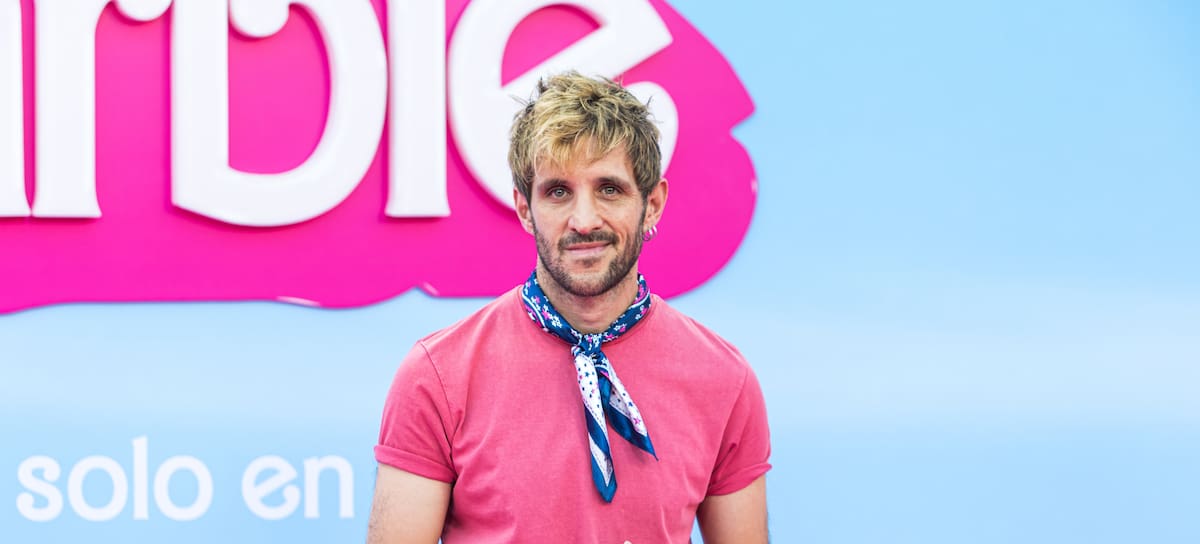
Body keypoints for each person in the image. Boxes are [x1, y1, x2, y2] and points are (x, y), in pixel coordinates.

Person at [367, 72, 771, 543]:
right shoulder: (438, 375)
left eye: (609, 189)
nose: (583, 220)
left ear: (653, 204)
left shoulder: (722, 379)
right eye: (558, 192)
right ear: (524, 208)